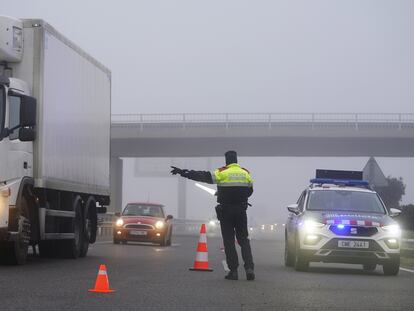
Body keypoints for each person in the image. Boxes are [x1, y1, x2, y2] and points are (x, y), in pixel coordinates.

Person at [170, 151, 255, 281]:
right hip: (241, 210)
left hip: (226, 211)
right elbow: (249, 191)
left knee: (229, 241)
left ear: (226, 161)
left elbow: (203, 176)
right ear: (236, 160)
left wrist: (184, 172)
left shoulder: (221, 172)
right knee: (244, 240)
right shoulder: (245, 173)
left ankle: (233, 272)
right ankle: (249, 268)